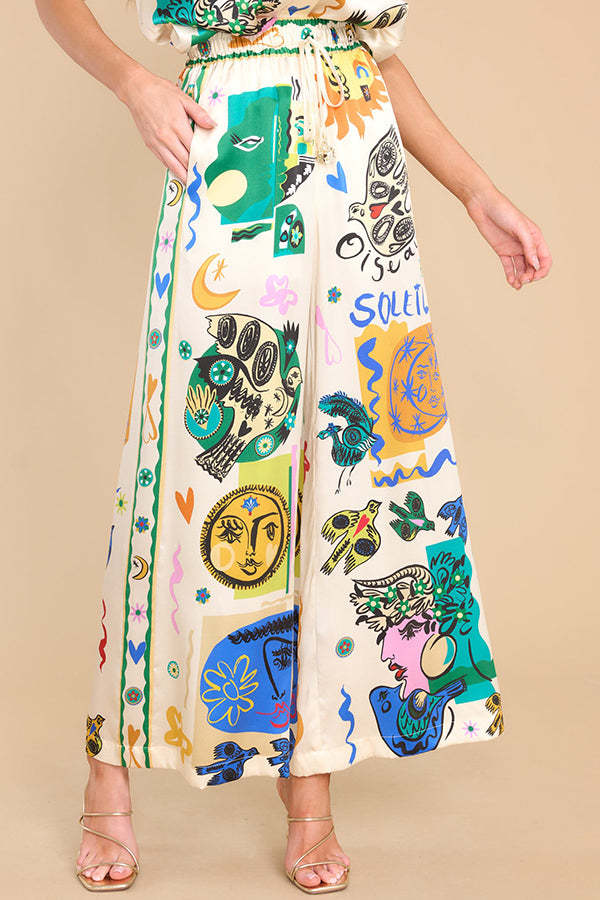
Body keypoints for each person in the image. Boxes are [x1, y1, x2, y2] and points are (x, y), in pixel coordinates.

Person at [35, 0, 552, 893]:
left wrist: (478, 192)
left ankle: (310, 781)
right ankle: (109, 767)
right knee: (198, 460)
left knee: (350, 478)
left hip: (360, 180)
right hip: (236, 150)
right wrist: (134, 85)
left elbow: (370, 53)